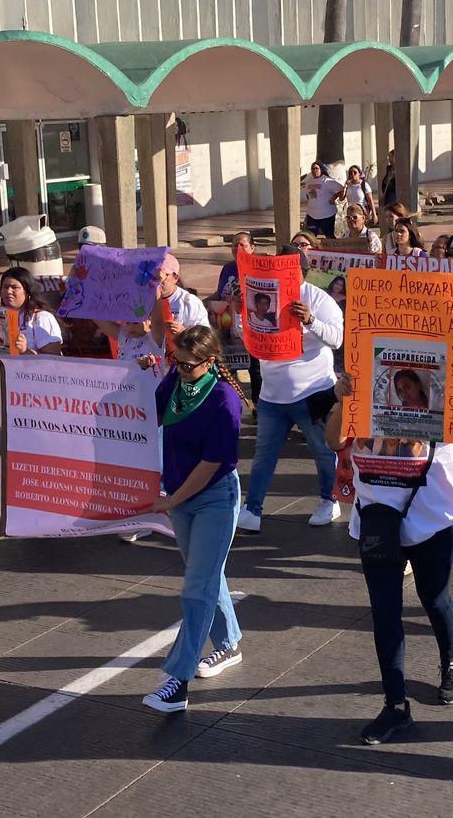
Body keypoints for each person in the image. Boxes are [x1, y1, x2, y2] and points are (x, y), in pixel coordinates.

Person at [326, 309, 453, 745]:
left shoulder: (451, 399)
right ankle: (395, 705)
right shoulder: (364, 393)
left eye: (411, 386)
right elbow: (334, 440)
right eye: (399, 385)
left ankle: (452, 657)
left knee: (433, 596)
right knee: (385, 613)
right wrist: (340, 398)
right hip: (376, 518)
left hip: (432, 520)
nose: (404, 392)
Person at [139, 327, 249, 713]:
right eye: (175, 361)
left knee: (196, 589)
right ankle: (229, 642)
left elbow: (212, 464)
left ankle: (177, 681)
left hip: (213, 500)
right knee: (207, 575)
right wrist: (144, 372)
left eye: (187, 365)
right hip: (181, 498)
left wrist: (172, 501)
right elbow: (149, 412)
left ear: (210, 361)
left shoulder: (223, 400)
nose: (180, 369)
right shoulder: (177, 380)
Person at [235, 244, 345, 532]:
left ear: (302, 272)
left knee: (322, 450)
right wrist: (239, 310)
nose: (281, 273)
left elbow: (337, 339)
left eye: (289, 268)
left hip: (312, 392)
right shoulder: (264, 294)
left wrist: (310, 321)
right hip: (272, 394)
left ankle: (328, 499)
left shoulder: (319, 299)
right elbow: (244, 332)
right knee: (264, 454)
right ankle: (252, 509)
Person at [0, 267, 64, 355]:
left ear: (27, 291)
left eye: (14, 287)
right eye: (5, 287)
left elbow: (53, 359)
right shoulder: (0, 317)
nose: (9, 291)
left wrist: (25, 351)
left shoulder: (42, 318)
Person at [301, 161, 345, 238]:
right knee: (311, 237)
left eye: (316, 168)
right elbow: (307, 194)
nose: (314, 170)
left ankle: (333, 250)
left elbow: (341, 189)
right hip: (312, 215)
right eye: (312, 169)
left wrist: (334, 197)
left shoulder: (327, 181)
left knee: (329, 236)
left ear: (321, 169)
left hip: (326, 214)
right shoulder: (309, 181)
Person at [215, 231, 256, 301]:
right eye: (235, 245)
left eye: (242, 245)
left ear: (252, 248)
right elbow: (219, 294)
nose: (238, 249)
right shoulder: (228, 268)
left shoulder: (259, 269)